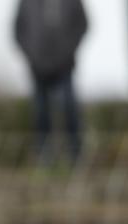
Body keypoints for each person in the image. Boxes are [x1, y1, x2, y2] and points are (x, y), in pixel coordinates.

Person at [14, 0, 88, 165]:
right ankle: (43, 157)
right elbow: (18, 31)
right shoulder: (26, 3)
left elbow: (82, 25)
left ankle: (76, 156)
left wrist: (68, 51)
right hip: (37, 67)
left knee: (69, 108)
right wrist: (31, 55)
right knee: (41, 113)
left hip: (64, 66)